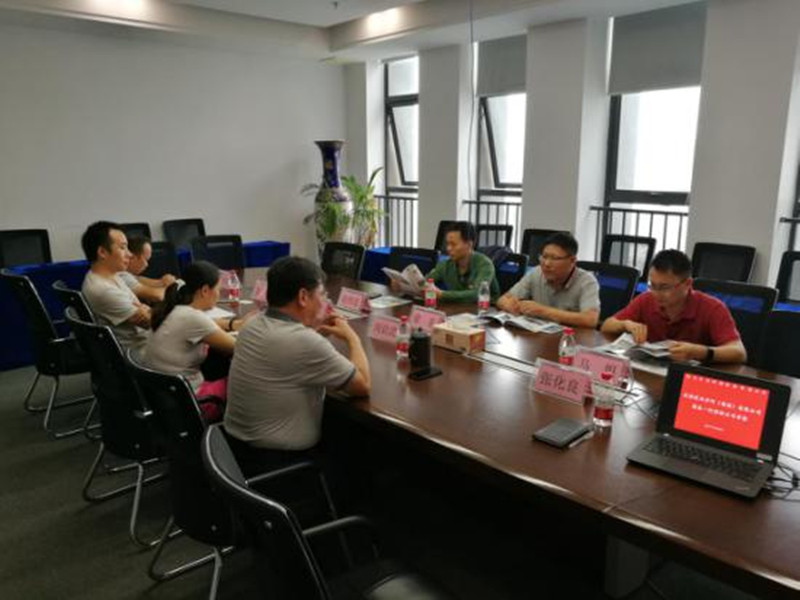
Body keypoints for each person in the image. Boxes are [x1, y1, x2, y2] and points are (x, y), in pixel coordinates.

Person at [224, 256, 370, 470]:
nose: (325, 301)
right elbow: (362, 385)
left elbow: (288, 351)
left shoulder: (252, 323)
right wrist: (352, 337)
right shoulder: (304, 342)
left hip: (234, 452)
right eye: (322, 294)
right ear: (303, 297)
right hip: (278, 461)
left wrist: (313, 328)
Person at [601, 249, 747, 364]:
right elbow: (606, 326)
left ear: (687, 284)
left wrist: (701, 352)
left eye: (664, 287)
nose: (656, 293)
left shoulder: (712, 308)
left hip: (689, 380)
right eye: (652, 285)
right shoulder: (646, 299)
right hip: (652, 374)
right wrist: (626, 324)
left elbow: (739, 352)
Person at [143, 261, 247, 417]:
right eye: (218, 289)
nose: (219, 294)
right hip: (191, 403)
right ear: (205, 290)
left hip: (164, 398)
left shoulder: (173, 309)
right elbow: (240, 347)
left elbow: (207, 323)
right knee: (243, 380)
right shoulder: (193, 318)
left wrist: (233, 324)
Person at [496, 232, 600, 328]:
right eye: (544, 257)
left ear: (572, 260)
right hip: (539, 336)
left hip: (570, 338)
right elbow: (502, 299)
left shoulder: (587, 281)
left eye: (555, 258)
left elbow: (590, 320)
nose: (547, 264)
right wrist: (510, 306)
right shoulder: (536, 272)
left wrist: (543, 311)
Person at [81, 221, 151, 350]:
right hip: (139, 351)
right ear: (102, 252)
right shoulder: (103, 289)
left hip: (147, 342)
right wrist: (145, 310)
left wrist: (145, 309)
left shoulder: (113, 275)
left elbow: (145, 313)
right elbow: (149, 322)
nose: (130, 254)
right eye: (123, 248)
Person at [118, 235, 176, 304]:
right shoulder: (122, 276)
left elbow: (144, 280)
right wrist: (169, 287)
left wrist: (163, 282)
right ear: (133, 257)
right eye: (145, 259)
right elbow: (157, 296)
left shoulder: (130, 275)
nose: (146, 265)